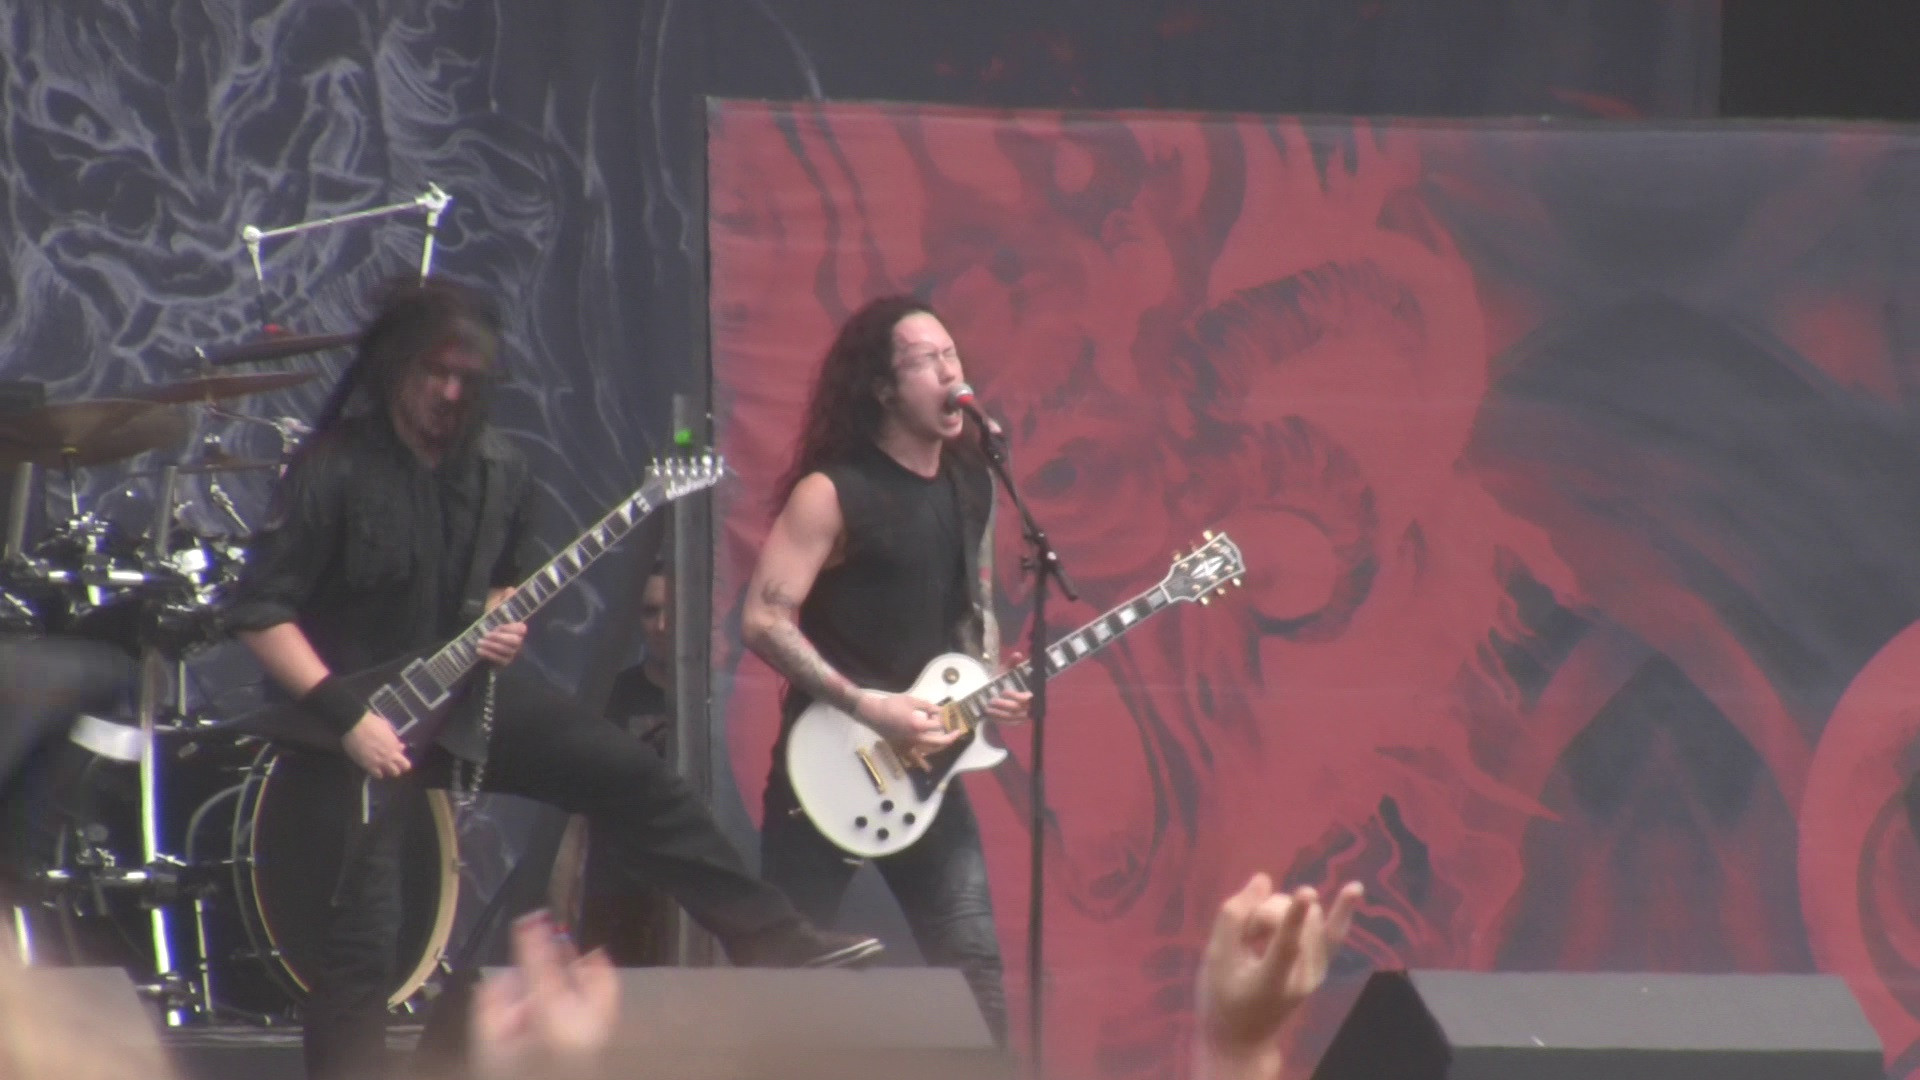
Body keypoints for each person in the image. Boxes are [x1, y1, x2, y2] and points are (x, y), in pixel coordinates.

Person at [222, 278, 882, 1080]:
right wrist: (347, 718)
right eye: (434, 372)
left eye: (467, 378)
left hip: (460, 700)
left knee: (632, 776)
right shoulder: (332, 468)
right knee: (362, 943)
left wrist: (501, 620)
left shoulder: (499, 469)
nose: (450, 392)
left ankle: (771, 939)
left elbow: (506, 580)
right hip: (349, 728)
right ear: (396, 365)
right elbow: (259, 613)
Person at [740, 294, 1032, 1045]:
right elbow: (763, 620)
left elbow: (975, 605)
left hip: (926, 768)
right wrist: (869, 706)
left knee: (974, 970)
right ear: (881, 388)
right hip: (826, 761)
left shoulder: (972, 483)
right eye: (927, 362)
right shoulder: (833, 492)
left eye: (952, 355)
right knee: (785, 977)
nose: (950, 373)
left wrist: (988, 680)